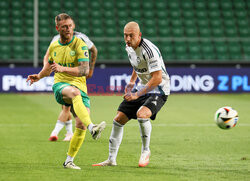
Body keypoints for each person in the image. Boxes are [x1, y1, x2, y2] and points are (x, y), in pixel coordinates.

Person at [27, 13, 106, 169]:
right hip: (61, 86)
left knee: (80, 125)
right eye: (64, 27)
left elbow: (84, 70)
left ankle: (68, 161)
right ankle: (93, 128)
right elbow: (49, 66)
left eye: (70, 26)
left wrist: (62, 68)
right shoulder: (54, 45)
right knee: (74, 94)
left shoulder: (80, 44)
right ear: (58, 28)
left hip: (80, 86)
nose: (68, 29)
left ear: (73, 26)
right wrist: (39, 76)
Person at [92, 21, 170, 167]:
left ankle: (146, 151)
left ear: (139, 35)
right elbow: (137, 65)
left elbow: (157, 78)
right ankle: (111, 159)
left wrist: (136, 94)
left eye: (131, 36)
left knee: (142, 114)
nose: (127, 39)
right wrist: (132, 81)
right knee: (118, 119)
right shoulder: (129, 48)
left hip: (159, 88)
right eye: (125, 35)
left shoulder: (149, 50)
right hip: (142, 86)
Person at [43, 32, 98, 142]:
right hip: (62, 77)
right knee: (67, 105)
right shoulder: (56, 39)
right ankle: (67, 132)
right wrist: (46, 69)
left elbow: (94, 50)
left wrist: (91, 69)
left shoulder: (81, 38)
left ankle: (65, 132)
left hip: (77, 76)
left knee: (69, 106)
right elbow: (47, 56)